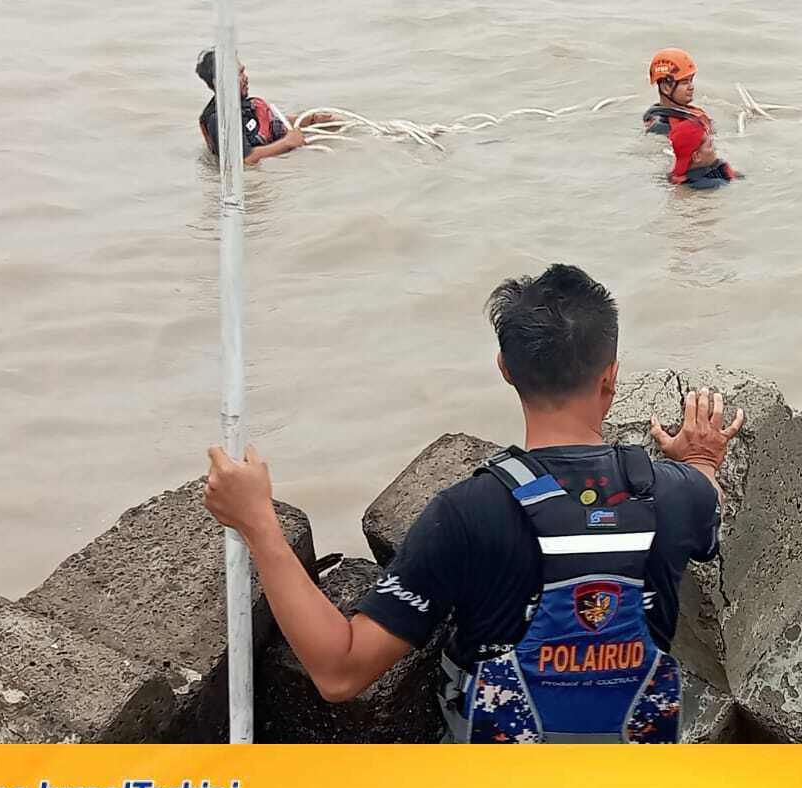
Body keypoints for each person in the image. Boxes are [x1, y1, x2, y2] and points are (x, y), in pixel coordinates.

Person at [203, 263, 742, 743]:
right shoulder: (673, 493)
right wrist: (700, 459)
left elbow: (341, 671)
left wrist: (259, 524)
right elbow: (708, 499)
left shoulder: (465, 514)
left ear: (504, 368)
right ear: (611, 375)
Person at [195, 47, 319, 165]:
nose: (246, 78)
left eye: (243, 71)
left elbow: (271, 121)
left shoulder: (246, 105)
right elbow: (246, 159)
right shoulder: (218, 120)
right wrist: (287, 143)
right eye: (239, 74)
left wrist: (311, 119)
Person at [642, 47, 711, 136]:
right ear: (666, 87)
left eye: (691, 80)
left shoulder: (689, 112)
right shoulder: (662, 127)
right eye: (685, 82)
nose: (691, 87)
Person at [669, 116, 738, 189]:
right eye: (710, 145)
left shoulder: (675, 176)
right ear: (697, 156)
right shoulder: (713, 185)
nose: (715, 148)